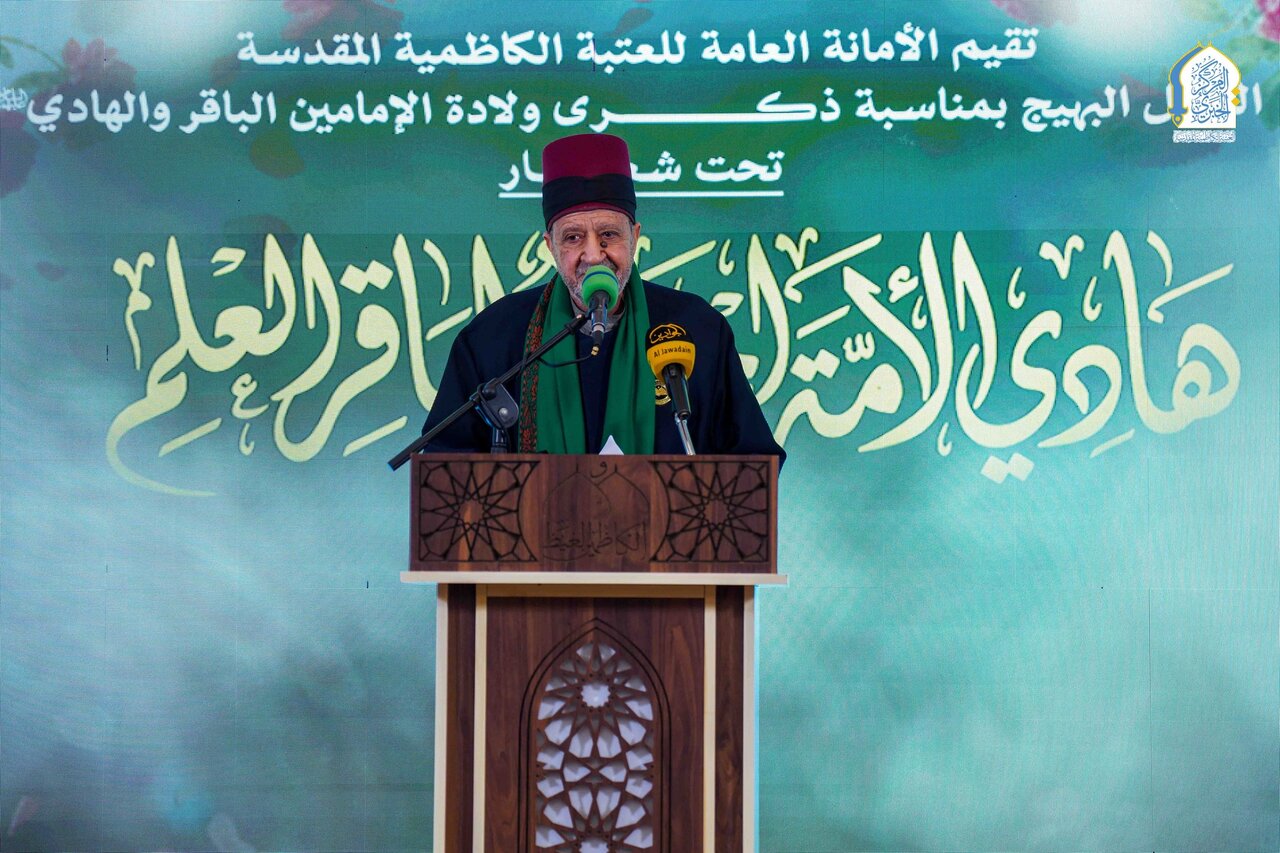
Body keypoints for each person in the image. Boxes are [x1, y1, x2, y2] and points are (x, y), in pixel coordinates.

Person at [421, 132, 785, 465]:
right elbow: (446, 466)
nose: (594, 255)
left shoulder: (696, 328)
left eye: (609, 234)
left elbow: (753, 462)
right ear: (550, 246)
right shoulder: (494, 336)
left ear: (635, 237)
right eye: (573, 238)